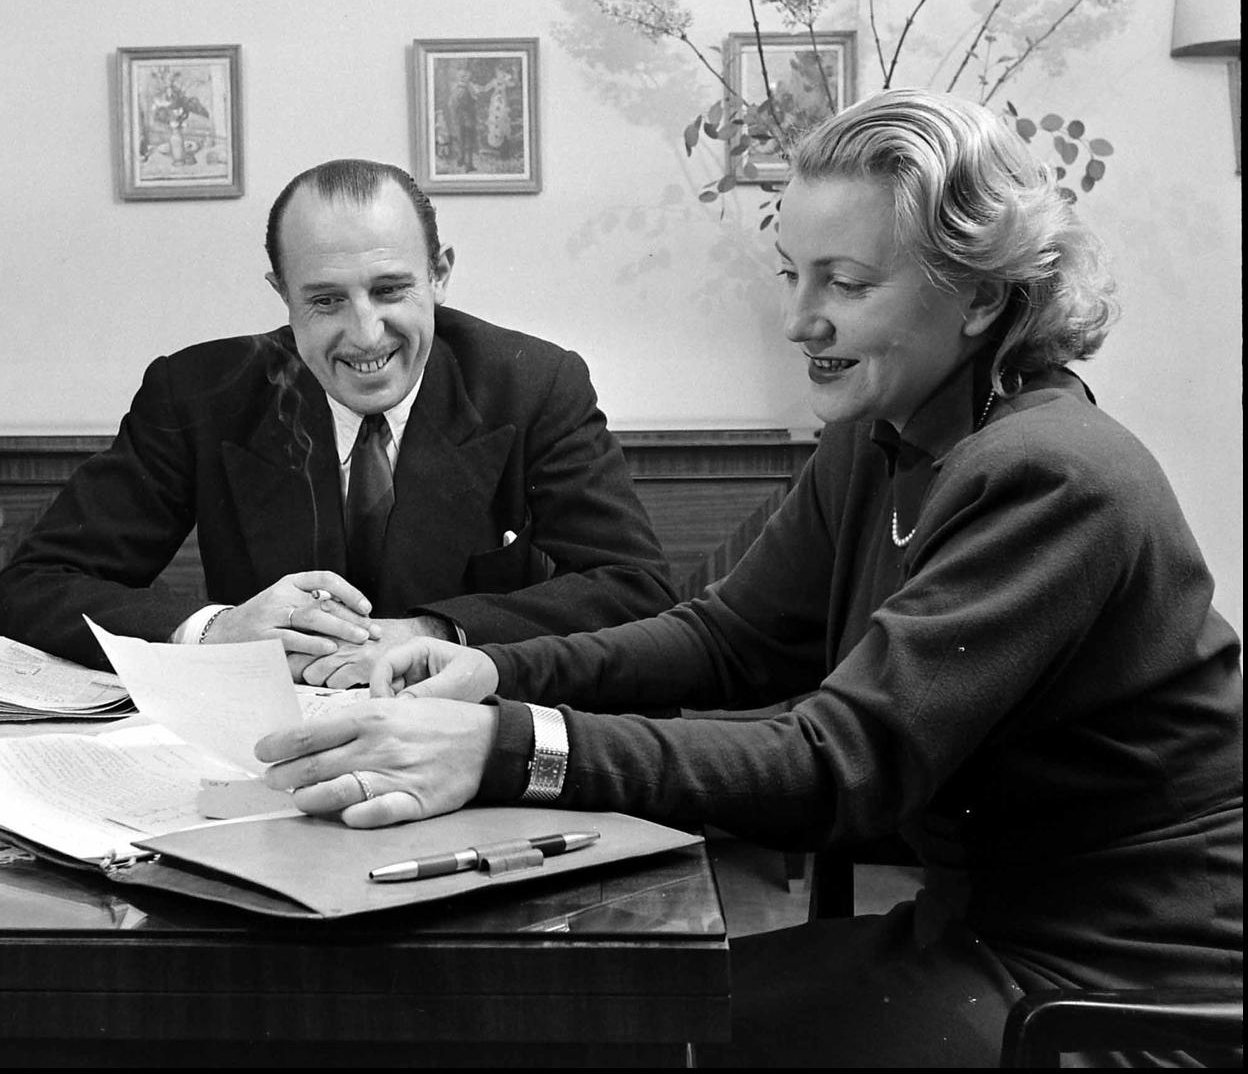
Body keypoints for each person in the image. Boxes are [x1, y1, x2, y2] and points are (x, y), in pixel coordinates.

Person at [254, 93, 1242, 1066]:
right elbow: (721, 638)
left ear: (982, 297)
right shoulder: (881, 434)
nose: (800, 322)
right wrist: (493, 670)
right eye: (793, 275)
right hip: (980, 938)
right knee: (598, 1016)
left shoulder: (1055, 472)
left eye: (846, 285)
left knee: (614, 1034)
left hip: (1117, 995)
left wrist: (511, 745)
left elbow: (836, 764)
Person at [0, 159, 675, 685]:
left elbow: (634, 588)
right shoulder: (198, 394)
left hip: (470, 740)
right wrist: (216, 632)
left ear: (439, 274)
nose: (364, 334)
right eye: (325, 300)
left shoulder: (533, 384)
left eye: (390, 290)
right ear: (282, 295)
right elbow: (34, 588)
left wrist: (434, 630)